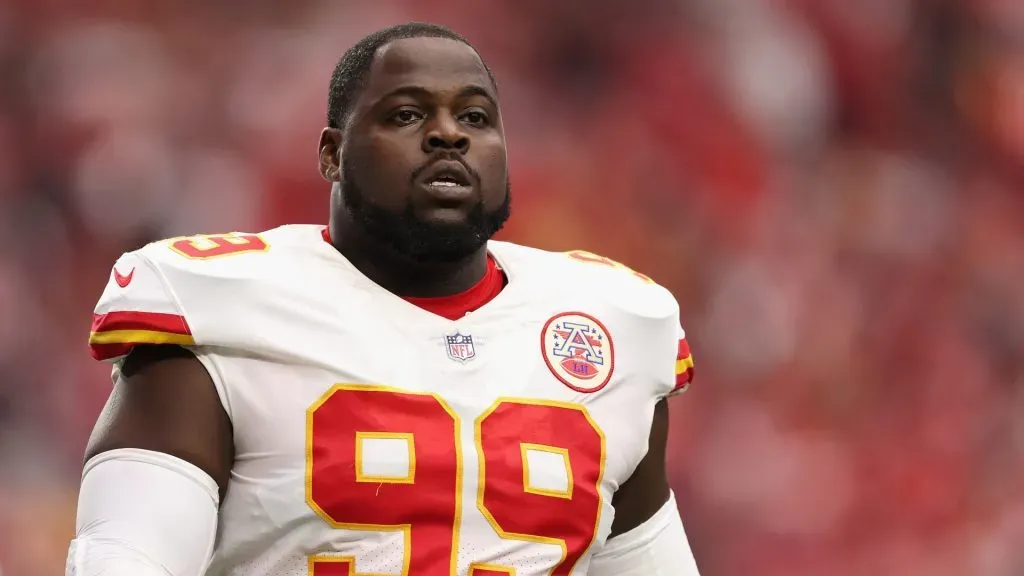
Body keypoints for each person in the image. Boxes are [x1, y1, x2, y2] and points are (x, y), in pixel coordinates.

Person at [68, 22, 700, 576]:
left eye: (475, 118)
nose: (448, 135)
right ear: (331, 153)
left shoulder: (609, 324)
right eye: (406, 114)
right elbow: (127, 556)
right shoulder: (221, 304)